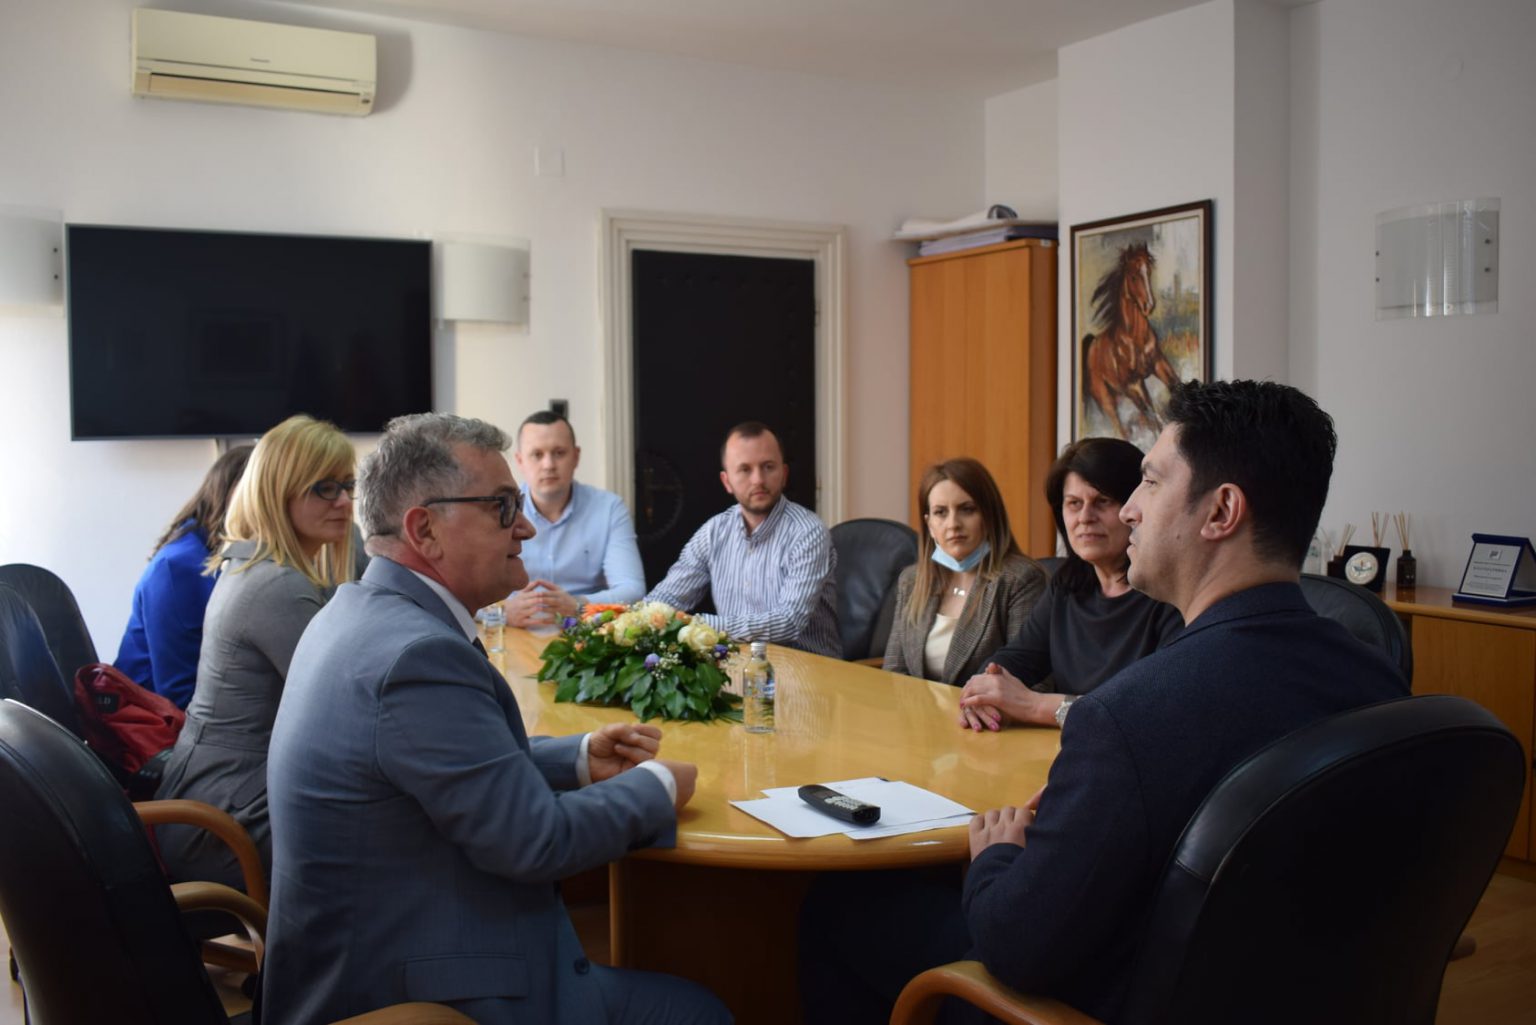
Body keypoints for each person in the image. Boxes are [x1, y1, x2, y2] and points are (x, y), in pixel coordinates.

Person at [798, 380, 1410, 1025]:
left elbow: (1015, 946)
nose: (1130, 511)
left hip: (1104, 1002)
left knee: (838, 906)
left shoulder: (1127, 716)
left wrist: (998, 854)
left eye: (1149, 482)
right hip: (1293, 992)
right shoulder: (1379, 683)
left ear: (1221, 511)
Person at [262, 412, 730, 1025]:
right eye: (503, 507)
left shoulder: (357, 612)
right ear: (425, 530)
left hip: (378, 946)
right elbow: (537, 841)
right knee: (699, 1011)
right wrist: (658, 786)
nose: (526, 526)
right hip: (409, 995)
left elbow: (436, 764)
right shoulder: (416, 657)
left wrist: (576, 758)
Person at [153, 415, 355, 889]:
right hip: (223, 824)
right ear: (278, 492)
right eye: (325, 488)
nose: (345, 502)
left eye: (348, 485)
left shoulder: (260, 564)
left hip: (222, 799)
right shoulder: (277, 586)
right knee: (405, 832)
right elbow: (350, 708)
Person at [957, 438, 1182, 731]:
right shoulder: (1066, 585)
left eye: (1102, 501)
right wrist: (985, 694)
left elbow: (1154, 709)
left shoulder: (1169, 593)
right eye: (1074, 504)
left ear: (1135, 508)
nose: (1085, 518)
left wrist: (1034, 706)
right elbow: (1015, 660)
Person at [647, 421, 839, 658]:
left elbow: (789, 622)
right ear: (727, 481)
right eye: (745, 469)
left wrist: (697, 625)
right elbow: (668, 597)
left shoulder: (808, 532)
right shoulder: (714, 532)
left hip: (807, 670)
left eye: (768, 467)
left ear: (784, 474)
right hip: (734, 666)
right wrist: (638, 619)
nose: (758, 479)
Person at [113, 443, 254, 708]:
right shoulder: (179, 567)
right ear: (235, 494)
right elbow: (177, 691)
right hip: (152, 722)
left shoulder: (222, 552)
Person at [883, 458, 1046, 684]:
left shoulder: (1021, 580)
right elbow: (894, 673)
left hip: (987, 708)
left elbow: (1031, 682)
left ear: (989, 516)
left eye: (967, 510)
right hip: (916, 707)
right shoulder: (912, 581)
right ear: (929, 525)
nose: (953, 524)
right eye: (941, 512)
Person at [504, 410, 645, 628]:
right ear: (520, 461)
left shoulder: (609, 509)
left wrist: (579, 605)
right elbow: (466, 590)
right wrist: (503, 611)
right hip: (515, 631)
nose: (548, 465)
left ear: (576, 456)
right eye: (537, 455)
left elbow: (633, 590)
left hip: (586, 632)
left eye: (559, 453)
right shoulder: (501, 510)